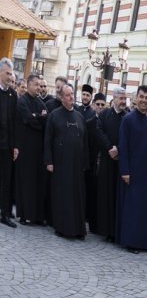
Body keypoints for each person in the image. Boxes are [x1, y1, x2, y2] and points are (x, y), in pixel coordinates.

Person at [43, 85, 88, 239]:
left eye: (72, 94)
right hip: (60, 163)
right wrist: (48, 161)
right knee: (62, 195)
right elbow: (48, 140)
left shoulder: (79, 116)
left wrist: (85, 162)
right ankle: (62, 227)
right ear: (62, 98)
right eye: (67, 95)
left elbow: (85, 142)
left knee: (77, 197)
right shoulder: (54, 115)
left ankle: (78, 229)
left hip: (76, 164)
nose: (71, 97)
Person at [114, 86, 147, 253]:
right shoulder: (128, 119)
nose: (144, 100)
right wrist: (125, 170)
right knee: (132, 208)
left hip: (145, 172)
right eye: (141, 96)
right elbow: (123, 146)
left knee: (142, 208)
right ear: (136, 98)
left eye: (146, 97)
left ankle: (143, 242)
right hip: (131, 171)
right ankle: (130, 241)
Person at [91, 88, 127, 241]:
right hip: (107, 160)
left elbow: (128, 137)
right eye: (121, 98)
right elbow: (98, 131)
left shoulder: (127, 116)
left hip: (121, 161)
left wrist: (118, 149)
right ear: (114, 98)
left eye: (125, 99)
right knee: (105, 195)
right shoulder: (105, 114)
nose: (123, 101)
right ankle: (104, 229)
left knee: (117, 196)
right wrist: (109, 148)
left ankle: (115, 230)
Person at [0, 60, 17, 229]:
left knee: (6, 180)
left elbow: (15, 122)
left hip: (7, 146)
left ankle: (4, 213)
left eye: (11, 74)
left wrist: (15, 146)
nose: (10, 77)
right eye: (7, 73)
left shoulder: (13, 94)